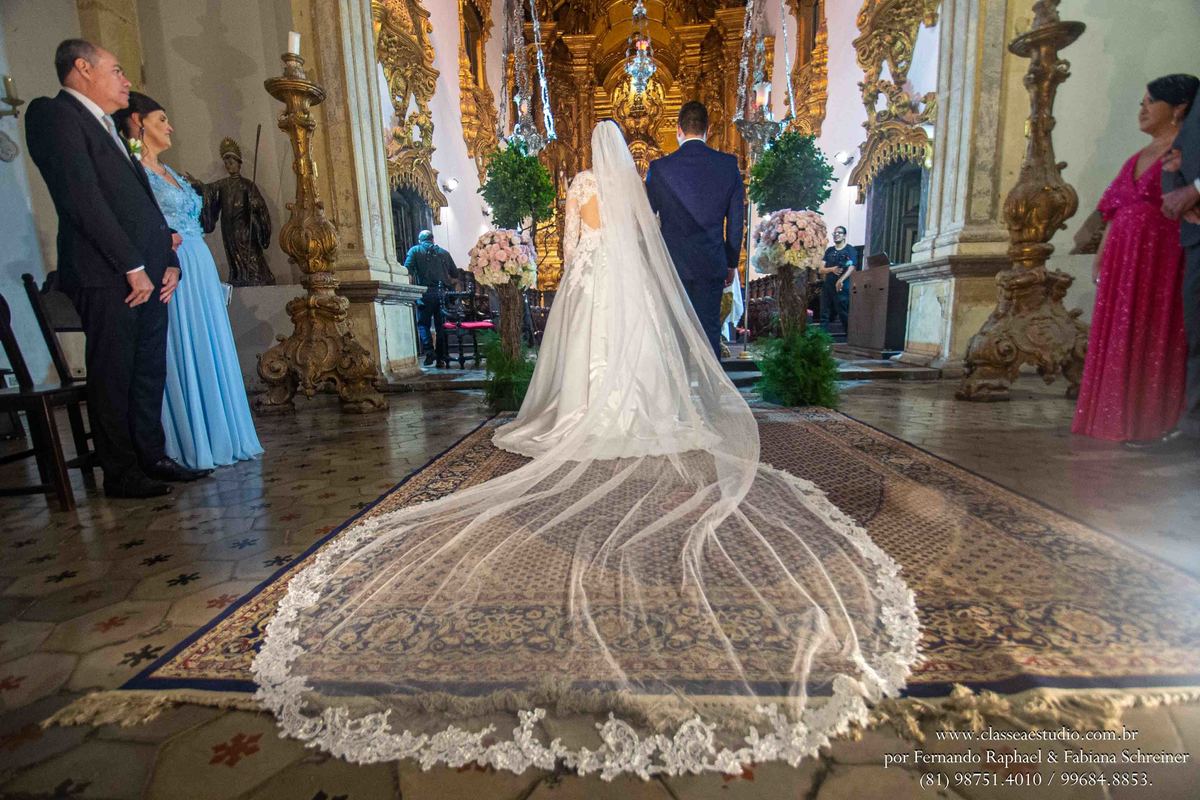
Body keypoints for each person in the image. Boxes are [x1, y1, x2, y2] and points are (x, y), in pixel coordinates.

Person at [253, 121, 917, 778]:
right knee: (639, 365)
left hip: (593, 285)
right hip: (630, 287)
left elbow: (574, 249)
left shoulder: (579, 186)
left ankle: (586, 413)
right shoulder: (634, 182)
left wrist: (580, 272)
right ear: (623, 154)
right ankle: (641, 411)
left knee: (584, 363)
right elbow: (644, 240)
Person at [24, 39, 208, 498]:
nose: (126, 80)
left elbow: (141, 203)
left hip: (149, 271)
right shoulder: (55, 115)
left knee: (148, 369)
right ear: (82, 69)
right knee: (114, 372)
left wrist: (167, 262)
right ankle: (121, 472)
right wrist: (131, 265)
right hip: (107, 275)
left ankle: (152, 456)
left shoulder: (109, 126)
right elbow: (81, 200)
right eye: (117, 70)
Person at [111, 92, 263, 471]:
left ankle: (224, 435)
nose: (170, 126)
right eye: (162, 119)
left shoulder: (172, 173)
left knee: (210, 345)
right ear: (138, 123)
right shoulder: (133, 173)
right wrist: (163, 243)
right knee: (181, 348)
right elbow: (132, 223)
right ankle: (188, 441)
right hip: (169, 268)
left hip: (200, 265)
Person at [1073, 74, 1199, 442]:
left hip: (1163, 255)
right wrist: (1101, 256)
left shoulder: (1186, 149)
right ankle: (1114, 419)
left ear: (1179, 108)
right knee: (1122, 332)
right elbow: (1115, 211)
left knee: (1157, 331)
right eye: (1141, 102)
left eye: (1150, 102)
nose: (1141, 109)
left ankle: (1153, 422)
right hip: (1124, 259)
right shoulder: (1137, 155)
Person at [645, 101, 744, 359]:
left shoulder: (660, 169)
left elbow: (646, 217)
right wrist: (731, 262)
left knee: (674, 332)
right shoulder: (727, 165)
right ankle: (710, 396)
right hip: (711, 263)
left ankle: (680, 395)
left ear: (679, 129)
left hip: (672, 264)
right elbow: (736, 222)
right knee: (709, 330)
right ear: (707, 130)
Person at [1138, 76, 1200, 449]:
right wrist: (1179, 185)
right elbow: (1179, 169)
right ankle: (1193, 428)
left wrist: (1194, 190)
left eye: (1150, 101)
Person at [197, 137, 274, 287]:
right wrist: (198, 185)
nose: (228, 166)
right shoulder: (224, 184)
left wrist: (255, 205)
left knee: (250, 253)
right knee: (234, 254)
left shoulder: (247, 185)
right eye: (226, 163)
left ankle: (256, 275)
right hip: (229, 228)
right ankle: (239, 275)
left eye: (231, 162)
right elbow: (209, 190)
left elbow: (260, 206)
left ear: (239, 163)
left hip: (244, 227)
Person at [403, 230, 461, 367]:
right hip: (443, 294)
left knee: (423, 324)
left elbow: (407, 270)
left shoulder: (415, 250)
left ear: (420, 240)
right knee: (441, 326)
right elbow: (455, 273)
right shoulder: (444, 253)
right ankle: (441, 358)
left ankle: (429, 351)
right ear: (433, 239)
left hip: (424, 293)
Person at [819, 226, 857, 331]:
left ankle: (850, 337)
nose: (836, 235)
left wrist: (841, 280)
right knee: (824, 313)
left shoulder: (850, 249)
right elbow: (821, 269)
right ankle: (822, 340)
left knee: (843, 312)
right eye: (834, 233)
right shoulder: (829, 250)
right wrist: (831, 269)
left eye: (839, 233)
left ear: (844, 235)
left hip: (842, 286)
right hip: (828, 285)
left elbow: (852, 267)